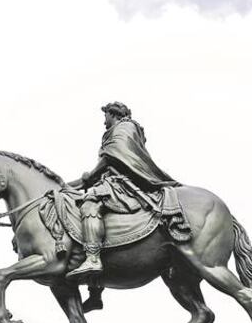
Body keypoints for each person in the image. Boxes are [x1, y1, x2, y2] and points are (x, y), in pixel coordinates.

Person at [65, 101, 180, 280]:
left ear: (113, 114)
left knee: (89, 206)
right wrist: (68, 185)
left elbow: (113, 155)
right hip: (110, 181)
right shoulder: (122, 130)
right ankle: (95, 288)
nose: (104, 122)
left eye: (105, 116)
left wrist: (91, 175)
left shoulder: (124, 128)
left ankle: (93, 258)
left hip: (120, 185)